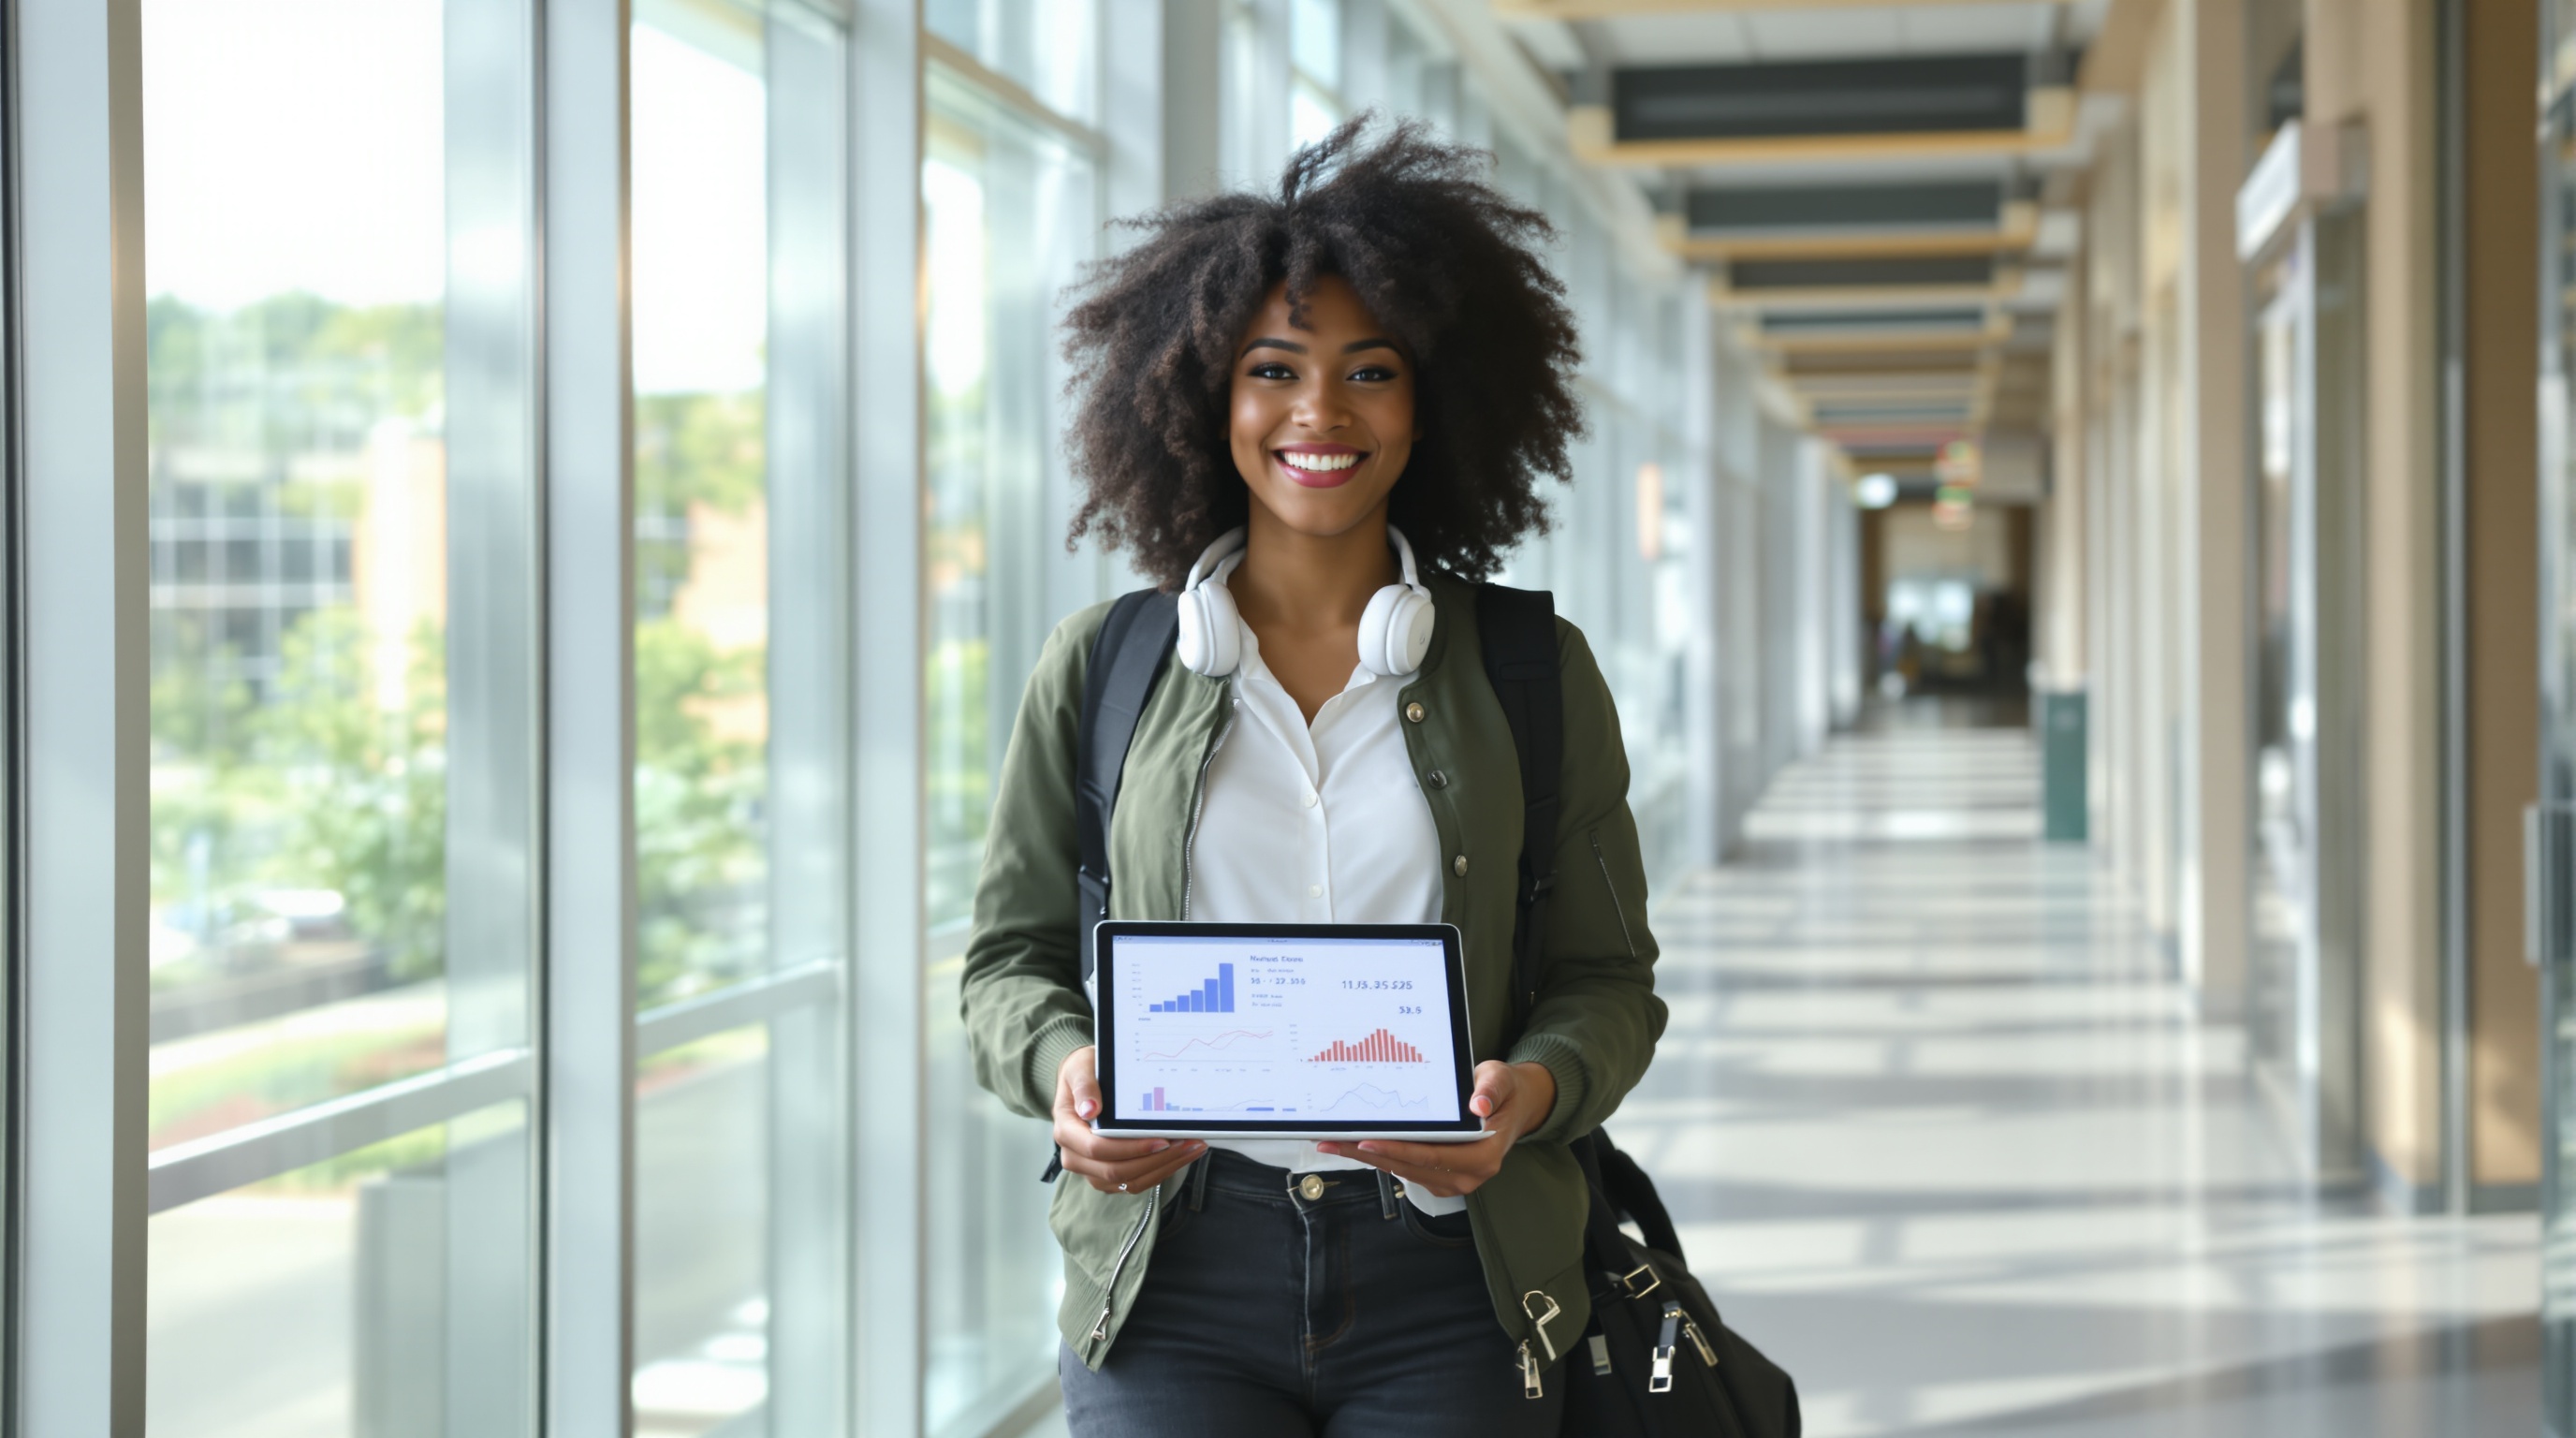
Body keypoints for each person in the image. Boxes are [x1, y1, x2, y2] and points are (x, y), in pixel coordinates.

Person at [959, 118, 1665, 1437]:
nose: (1320, 414)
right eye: (1272, 369)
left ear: (1432, 402)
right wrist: (1065, 1071)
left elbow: (1608, 984)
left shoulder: (1530, 670)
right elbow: (1007, 962)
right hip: (1172, 1273)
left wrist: (1534, 1095)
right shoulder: (1103, 667)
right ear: (1201, 399)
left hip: (1459, 1274)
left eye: (1372, 371)